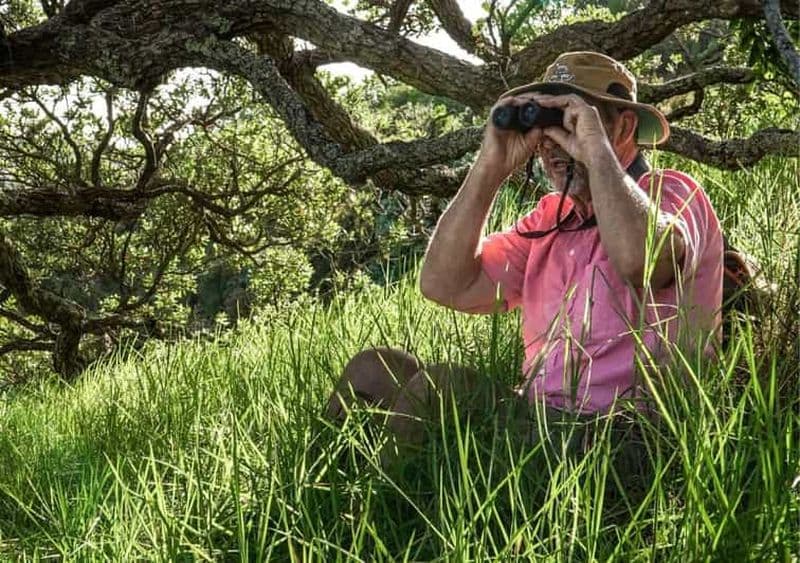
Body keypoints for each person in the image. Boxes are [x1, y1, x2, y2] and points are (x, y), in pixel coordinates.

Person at [325, 52, 723, 463]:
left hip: (629, 437)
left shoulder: (673, 193)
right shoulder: (552, 218)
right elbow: (443, 284)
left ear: (622, 127)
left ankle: (385, 515)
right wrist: (490, 166)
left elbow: (644, 262)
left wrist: (594, 150)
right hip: (542, 420)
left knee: (444, 387)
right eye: (543, 125)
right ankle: (331, 505)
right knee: (373, 370)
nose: (553, 142)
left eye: (569, 121)